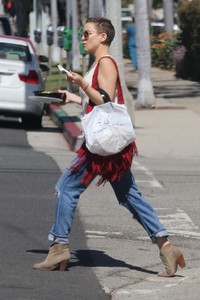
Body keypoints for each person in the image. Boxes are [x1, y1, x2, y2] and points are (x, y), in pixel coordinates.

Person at [33, 17, 185, 276]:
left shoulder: (106, 62)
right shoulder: (97, 64)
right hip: (109, 147)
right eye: (82, 33)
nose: (83, 37)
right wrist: (69, 96)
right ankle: (166, 245)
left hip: (101, 147)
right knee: (129, 196)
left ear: (103, 37)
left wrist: (82, 84)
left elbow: (104, 98)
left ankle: (59, 247)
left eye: (87, 33)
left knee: (66, 188)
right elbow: (96, 99)